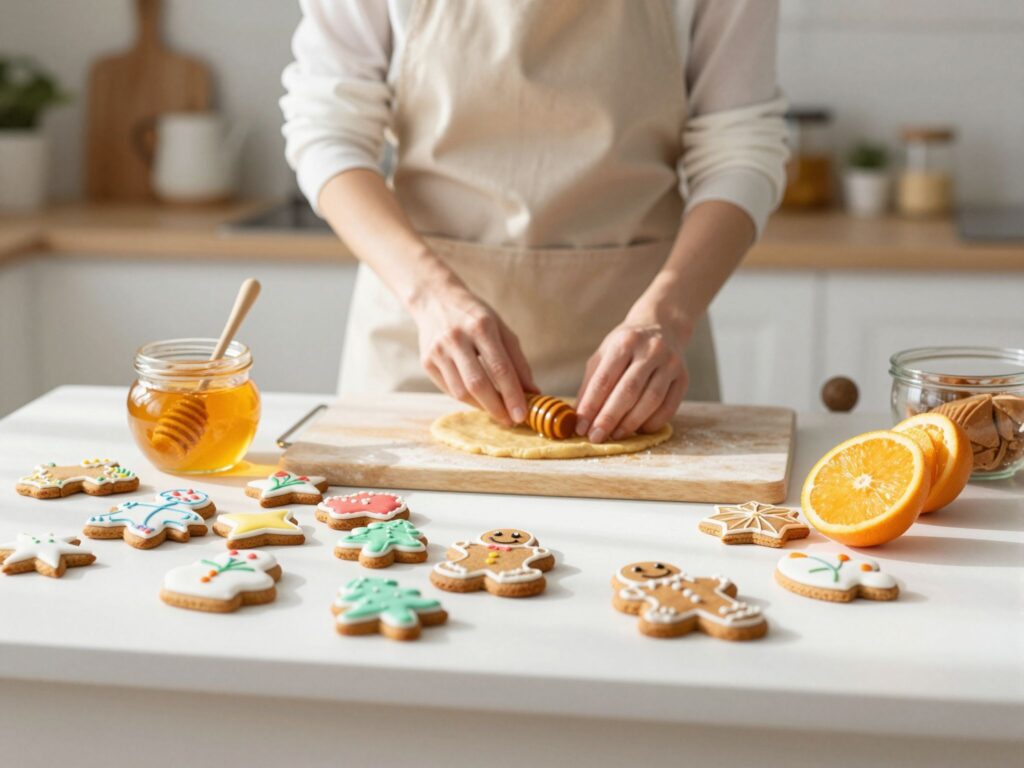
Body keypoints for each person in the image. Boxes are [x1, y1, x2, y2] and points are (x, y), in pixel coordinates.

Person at [281, 0, 787, 443]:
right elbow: (327, 130)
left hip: (644, 357)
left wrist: (668, 316)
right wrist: (430, 296)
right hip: (423, 340)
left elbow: (738, 151)